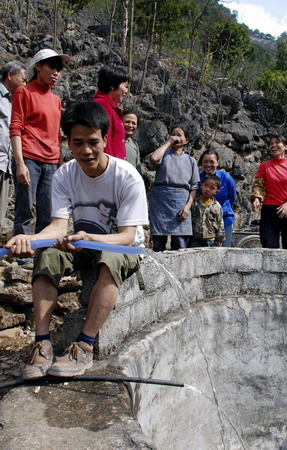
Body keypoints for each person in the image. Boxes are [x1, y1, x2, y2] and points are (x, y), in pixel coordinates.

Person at [5, 101, 148, 380]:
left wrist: (88, 237)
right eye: (77, 142)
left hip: (119, 245)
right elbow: (58, 227)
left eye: (93, 142)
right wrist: (30, 239)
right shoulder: (64, 175)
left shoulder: (127, 176)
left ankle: (84, 345)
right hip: (82, 243)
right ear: (67, 142)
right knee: (47, 255)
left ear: (105, 139)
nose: (86, 150)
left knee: (110, 259)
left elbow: (128, 236)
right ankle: (42, 342)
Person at [10, 49, 70, 236]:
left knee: (48, 211)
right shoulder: (24, 92)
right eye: (51, 67)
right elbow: (16, 128)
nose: (56, 73)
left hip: (51, 161)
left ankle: (42, 252)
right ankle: (23, 254)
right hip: (29, 158)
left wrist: (59, 161)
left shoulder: (56, 100)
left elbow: (56, 134)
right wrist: (19, 163)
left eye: (59, 69)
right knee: (24, 209)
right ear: (38, 66)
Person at [148, 126, 199, 251]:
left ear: (186, 140)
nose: (176, 137)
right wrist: (168, 142)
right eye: (173, 134)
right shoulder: (163, 154)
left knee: (180, 244)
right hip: (161, 201)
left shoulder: (191, 161)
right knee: (158, 243)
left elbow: (194, 187)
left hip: (181, 202)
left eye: (179, 135)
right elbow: (153, 159)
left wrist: (188, 207)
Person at [251, 135, 287, 249]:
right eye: (271, 143)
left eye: (277, 143)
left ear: (285, 147)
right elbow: (258, 185)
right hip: (270, 209)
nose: (273, 145)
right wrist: (256, 198)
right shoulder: (264, 166)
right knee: (269, 245)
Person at [0, 61, 27, 228]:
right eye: (23, 79)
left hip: (4, 163)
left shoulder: (15, 101)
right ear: (10, 75)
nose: (25, 83)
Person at [199, 149, 236, 247]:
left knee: (224, 252)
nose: (208, 164)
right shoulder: (198, 179)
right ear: (201, 163)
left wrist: (222, 210)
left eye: (212, 162)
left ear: (218, 163)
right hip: (204, 223)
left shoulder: (226, 178)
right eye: (205, 161)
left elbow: (232, 197)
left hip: (224, 220)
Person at [93, 66, 129, 160]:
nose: (126, 91)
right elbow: (105, 138)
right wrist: (109, 165)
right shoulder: (103, 104)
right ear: (113, 85)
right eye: (125, 86)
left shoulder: (110, 106)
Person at [190, 174, 225, 248]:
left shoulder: (217, 206)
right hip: (195, 238)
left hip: (210, 239)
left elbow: (220, 222)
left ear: (216, 191)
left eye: (212, 188)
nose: (207, 189)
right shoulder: (194, 202)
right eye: (206, 185)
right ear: (201, 185)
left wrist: (220, 239)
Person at [123, 109, 142, 174]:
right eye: (127, 122)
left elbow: (138, 171)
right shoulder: (111, 142)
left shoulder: (135, 145)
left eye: (133, 123)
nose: (130, 125)